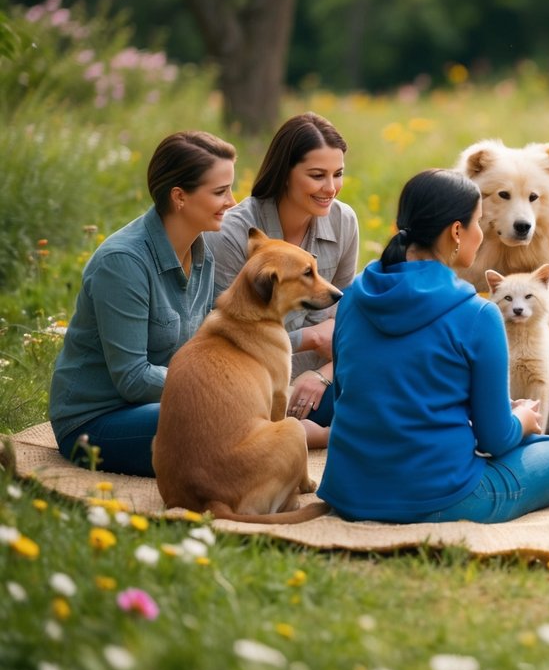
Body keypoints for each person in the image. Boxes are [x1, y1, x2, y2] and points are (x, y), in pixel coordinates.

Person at [317, 169, 549, 523]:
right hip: (441, 497)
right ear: (457, 231)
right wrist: (521, 418)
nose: (480, 233)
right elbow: (496, 440)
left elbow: (348, 395)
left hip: (350, 491)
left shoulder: (352, 297)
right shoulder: (477, 314)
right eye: (477, 223)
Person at [49, 131, 238, 476]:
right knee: (218, 421)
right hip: (94, 421)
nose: (233, 201)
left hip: (163, 404)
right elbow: (132, 379)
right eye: (220, 192)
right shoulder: (122, 262)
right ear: (179, 197)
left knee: (236, 418)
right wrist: (211, 387)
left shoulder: (201, 252)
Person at [207, 113, 358, 449]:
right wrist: (310, 337)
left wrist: (322, 375)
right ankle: (309, 436)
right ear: (284, 174)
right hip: (251, 386)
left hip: (321, 386)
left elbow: (348, 321)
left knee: (399, 381)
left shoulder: (344, 221)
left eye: (338, 174)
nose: (330, 188)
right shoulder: (234, 233)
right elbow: (220, 333)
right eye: (317, 175)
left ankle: (310, 433)